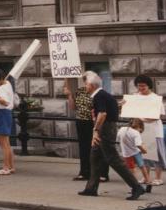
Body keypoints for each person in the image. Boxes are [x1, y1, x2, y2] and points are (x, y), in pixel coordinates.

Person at [78, 71, 149, 200]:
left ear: (92, 85)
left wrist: (95, 131)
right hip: (107, 127)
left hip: (105, 128)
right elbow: (112, 108)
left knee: (113, 159)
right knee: (95, 157)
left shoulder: (98, 95)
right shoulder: (104, 94)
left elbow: (103, 114)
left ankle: (136, 187)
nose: (85, 87)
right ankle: (91, 188)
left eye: (86, 84)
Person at [132, 75, 166, 186]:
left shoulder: (155, 98)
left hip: (154, 129)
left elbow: (158, 115)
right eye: (139, 86)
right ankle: (145, 176)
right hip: (141, 129)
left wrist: (143, 118)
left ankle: (158, 177)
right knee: (143, 153)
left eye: (143, 86)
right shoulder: (135, 97)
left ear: (149, 86)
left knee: (156, 153)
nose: (141, 88)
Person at [64, 77, 94, 181]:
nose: (85, 84)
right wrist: (69, 95)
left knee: (95, 147)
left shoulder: (97, 93)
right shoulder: (80, 91)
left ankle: (98, 173)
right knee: (83, 147)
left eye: (87, 82)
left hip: (93, 121)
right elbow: (73, 107)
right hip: (81, 121)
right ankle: (84, 172)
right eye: (85, 81)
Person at [118, 118, 152, 185]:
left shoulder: (122, 129)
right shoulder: (136, 133)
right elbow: (138, 144)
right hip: (136, 152)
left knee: (131, 169)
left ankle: (134, 184)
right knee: (142, 166)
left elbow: (118, 137)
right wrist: (144, 150)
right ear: (140, 126)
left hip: (126, 153)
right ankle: (148, 180)